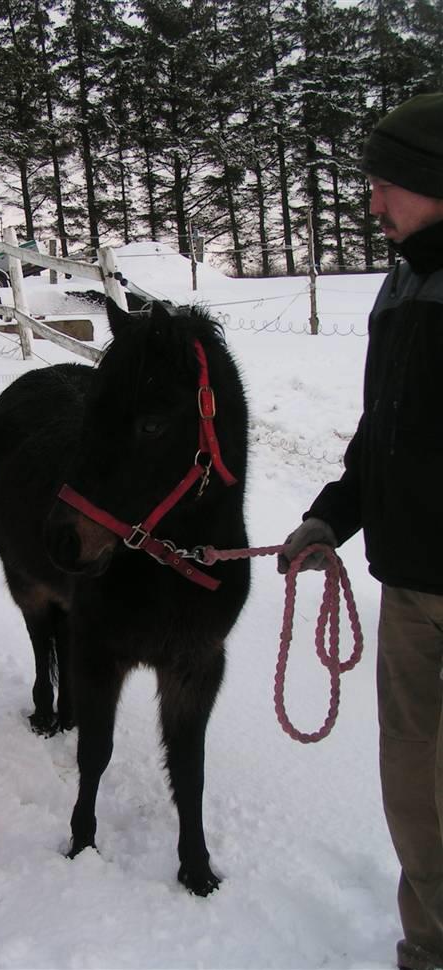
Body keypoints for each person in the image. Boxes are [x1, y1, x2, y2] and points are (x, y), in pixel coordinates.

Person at [279, 92, 443, 970]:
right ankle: (430, 946)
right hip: (413, 588)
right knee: (415, 790)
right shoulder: (404, 278)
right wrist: (333, 516)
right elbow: (387, 427)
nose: (372, 203)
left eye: (385, 185)